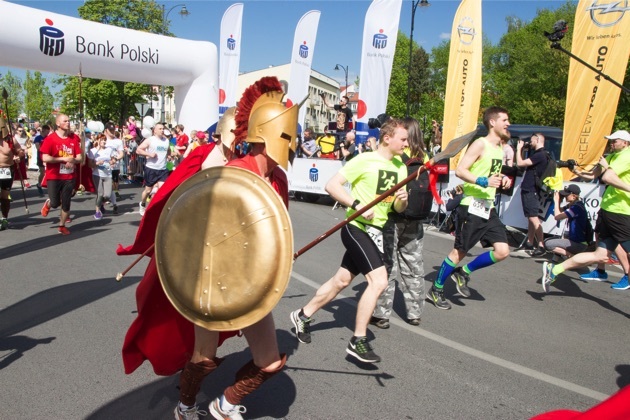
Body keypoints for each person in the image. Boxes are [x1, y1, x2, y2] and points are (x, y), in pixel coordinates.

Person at [118, 77, 298, 420]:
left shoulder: (278, 179)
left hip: (251, 284)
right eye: (288, 135)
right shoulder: (230, 174)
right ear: (266, 134)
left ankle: (225, 405)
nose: (293, 144)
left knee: (271, 361)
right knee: (204, 357)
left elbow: (273, 234)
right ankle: (186, 406)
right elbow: (195, 230)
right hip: (210, 281)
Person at [290, 118, 409, 363]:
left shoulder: (401, 167)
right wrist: (356, 204)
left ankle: (303, 315)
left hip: (377, 230)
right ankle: (358, 340)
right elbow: (332, 185)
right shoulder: (365, 160)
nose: (407, 144)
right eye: (403, 139)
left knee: (341, 280)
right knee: (379, 281)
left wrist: (403, 199)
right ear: (387, 138)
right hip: (356, 227)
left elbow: (397, 207)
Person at [427, 106, 512, 310]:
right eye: (505, 120)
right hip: (471, 205)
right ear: (492, 122)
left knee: (502, 251)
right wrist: (482, 181)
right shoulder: (480, 144)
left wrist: (504, 180)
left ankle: (463, 272)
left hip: (487, 207)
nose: (508, 124)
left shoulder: (499, 148)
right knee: (459, 252)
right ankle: (436, 289)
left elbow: (493, 174)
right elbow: (461, 171)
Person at [542, 130, 630, 292]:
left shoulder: (623, 157)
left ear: (625, 143)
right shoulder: (613, 157)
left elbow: (598, 175)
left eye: (615, 140)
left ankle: (554, 270)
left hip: (610, 211)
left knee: (600, 255)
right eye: (610, 140)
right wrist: (575, 170)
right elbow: (603, 176)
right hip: (620, 212)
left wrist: (595, 169)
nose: (611, 143)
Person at [370, 117, 426, 329]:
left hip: (393, 217)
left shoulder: (396, 157)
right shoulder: (423, 155)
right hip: (416, 219)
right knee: (413, 265)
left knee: (388, 264)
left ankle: (382, 313)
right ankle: (414, 312)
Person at [40, 114, 82, 235]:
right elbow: (45, 157)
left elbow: (79, 157)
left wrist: (72, 160)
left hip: (69, 176)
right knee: (55, 203)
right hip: (54, 176)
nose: (68, 123)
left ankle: (62, 225)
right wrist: (63, 159)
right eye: (65, 121)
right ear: (58, 123)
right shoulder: (50, 139)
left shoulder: (73, 138)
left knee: (66, 201)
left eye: (69, 121)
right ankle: (48, 203)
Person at [516, 133, 547, 256]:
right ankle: (529, 242)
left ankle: (541, 245)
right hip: (531, 189)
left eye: (532, 140)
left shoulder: (540, 155)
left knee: (534, 218)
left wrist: (518, 149)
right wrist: (524, 150)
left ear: (538, 139)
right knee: (530, 217)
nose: (530, 142)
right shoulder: (539, 154)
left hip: (531, 189)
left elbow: (520, 163)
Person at [543, 184, 591, 259]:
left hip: (578, 244)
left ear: (574, 196)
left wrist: (556, 201)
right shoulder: (575, 205)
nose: (565, 196)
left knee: (548, 243)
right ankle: (563, 258)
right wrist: (559, 200)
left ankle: (573, 258)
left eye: (567, 195)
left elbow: (557, 217)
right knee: (556, 242)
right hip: (577, 242)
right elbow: (560, 210)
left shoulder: (576, 208)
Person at [136, 123, 171, 216]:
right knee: (148, 190)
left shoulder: (166, 141)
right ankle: (142, 203)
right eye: (160, 129)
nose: (162, 130)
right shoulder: (150, 140)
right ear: (154, 130)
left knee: (163, 189)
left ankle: (158, 208)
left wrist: (169, 155)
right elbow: (138, 150)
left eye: (163, 128)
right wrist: (149, 155)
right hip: (151, 169)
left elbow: (168, 150)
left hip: (163, 169)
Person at [0, 115, 24, 230]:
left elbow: (21, 151)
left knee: (4, 196)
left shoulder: (10, 140)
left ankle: (4, 218)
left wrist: (18, 157)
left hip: (6, 169)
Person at [88, 134, 116, 220]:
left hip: (108, 174)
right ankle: (97, 212)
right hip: (97, 174)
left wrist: (112, 162)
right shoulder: (93, 151)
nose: (104, 141)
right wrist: (96, 163)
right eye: (102, 140)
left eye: (105, 140)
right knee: (100, 194)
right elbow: (90, 164)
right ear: (98, 141)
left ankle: (100, 204)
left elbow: (113, 159)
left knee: (107, 195)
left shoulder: (109, 150)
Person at [104, 122, 123, 213]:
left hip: (114, 166)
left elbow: (121, 154)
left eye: (113, 130)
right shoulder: (102, 140)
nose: (112, 132)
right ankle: (101, 203)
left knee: (111, 186)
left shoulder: (118, 141)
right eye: (110, 130)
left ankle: (115, 204)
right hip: (103, 167)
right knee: (103, 188)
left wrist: (115, 159)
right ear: (106, 130)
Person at [33, 124, 50, 197]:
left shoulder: (48, 138)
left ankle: (50, 186)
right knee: (42, 172)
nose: (48, 133)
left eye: (49, 132)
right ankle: (39, 184)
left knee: (49, 171)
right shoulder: (38, 138)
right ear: (43, 130)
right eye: (47, 132)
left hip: (48, 156)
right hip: (40, 157)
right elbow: (38, 148)